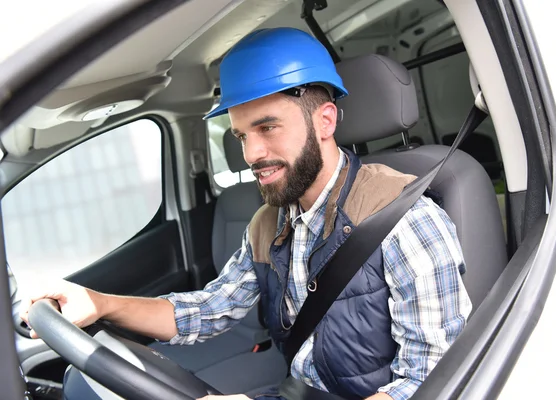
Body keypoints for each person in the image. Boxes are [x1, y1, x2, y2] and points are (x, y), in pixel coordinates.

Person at [22, 27, 472, 400]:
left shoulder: (406, 221)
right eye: (240, 136)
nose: (252, 153)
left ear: (326, 122)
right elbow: (207, 311)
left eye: (268, 127)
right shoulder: (267, 224)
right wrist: (99, 303)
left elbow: (430, 382)